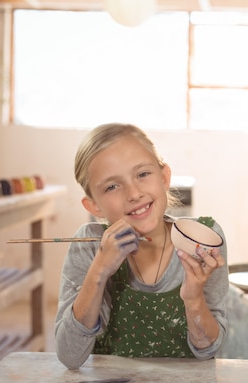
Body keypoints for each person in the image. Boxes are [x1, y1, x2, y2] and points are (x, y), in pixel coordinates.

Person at [55, 123, 229, 369]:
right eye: (112, 186)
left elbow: (207, 351)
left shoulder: (203, 238)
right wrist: (99, 272)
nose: (134, 193)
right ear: (93, 206)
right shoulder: (90, 245)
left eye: (143, 174)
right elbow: (69, 357)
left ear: (164, 177)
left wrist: (193, 298)